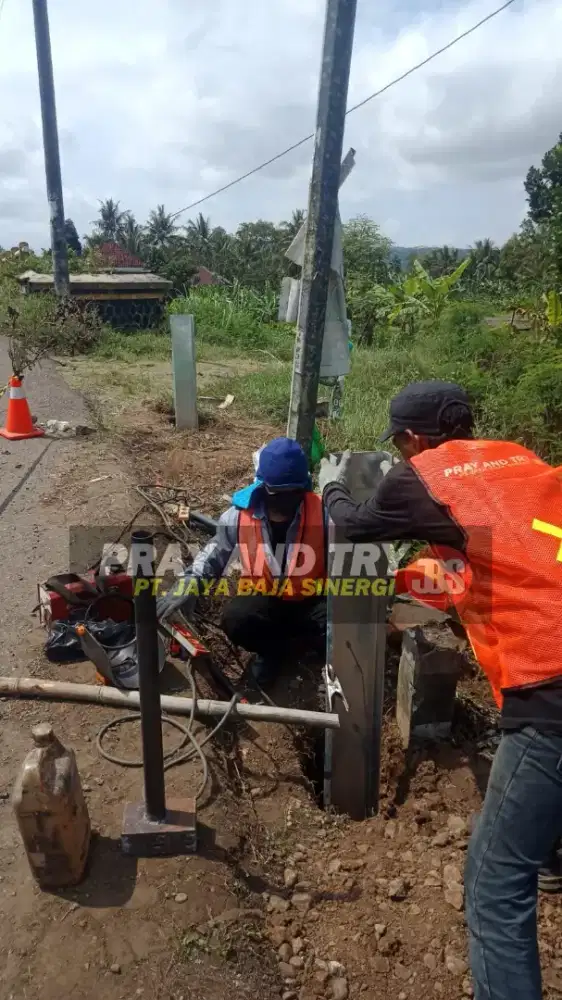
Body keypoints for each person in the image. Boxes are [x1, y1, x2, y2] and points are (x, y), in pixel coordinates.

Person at [319, 379, 562, 1000]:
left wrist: (333, 488)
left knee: (493, 881)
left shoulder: (421, 474)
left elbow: (352, 529)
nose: (402, 454)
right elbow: (498, 551)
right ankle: (552, 849)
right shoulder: (519, 458)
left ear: (413, 439)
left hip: (551, 687)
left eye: (400, 444)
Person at [157, 436, 327, 684]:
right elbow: (211, 558)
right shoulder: (238, 516)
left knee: (343, 623)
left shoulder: (324, 514)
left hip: (311, 601)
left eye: (293, 494)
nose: (284, 502)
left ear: (304, 489)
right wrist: (185, 587)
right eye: (277, 494)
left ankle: (306, 648)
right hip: (266, 602)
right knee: (236, 619)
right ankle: (273, 652)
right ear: (261, 487)